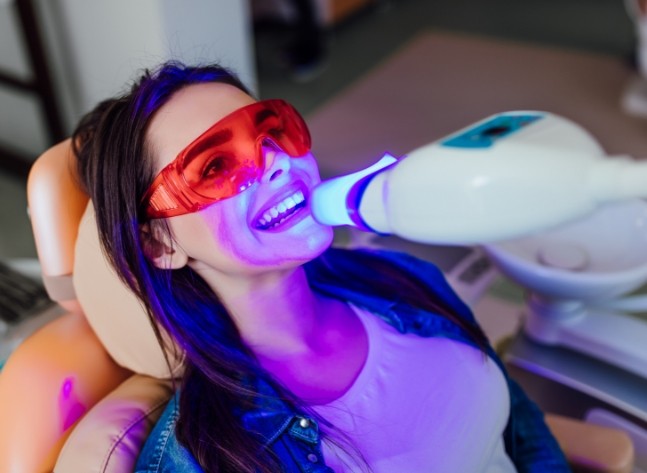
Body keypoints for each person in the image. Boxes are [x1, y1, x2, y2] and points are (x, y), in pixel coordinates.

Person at [72, 61, 570, 472]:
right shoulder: (205, 459)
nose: (276, 163)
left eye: (271, 132)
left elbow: (522, 431)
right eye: (216, 167)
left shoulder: (405, 277)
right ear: (160, 244)